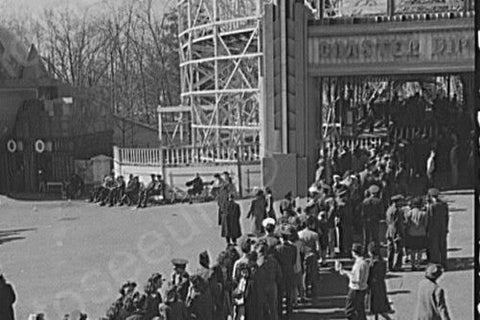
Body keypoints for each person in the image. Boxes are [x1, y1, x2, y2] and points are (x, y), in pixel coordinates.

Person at [337, 243, 369, 320]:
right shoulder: (364, 262)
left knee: (349, 311)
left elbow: (356, 279)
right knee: (360, 311)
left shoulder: (359, 264)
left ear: (354, 252)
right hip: (363, 289)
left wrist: (345, 273)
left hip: (355, 289)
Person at [274, 225, 297, 318]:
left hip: (280, 273)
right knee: (289, 294)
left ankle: (280, 313)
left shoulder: (277, 249)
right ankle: (289, 312)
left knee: (279, 295)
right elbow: (294, 261)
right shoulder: (293, 248)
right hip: (290, 272)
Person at [367, 242, 393, 320]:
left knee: (376, 307)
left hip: (374, 287)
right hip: (381, 285)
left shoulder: (374, 263)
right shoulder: (382, 261)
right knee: (380, 308)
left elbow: (370, 275)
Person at [426, 188, 449, 268]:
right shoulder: (444, 204)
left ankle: (436, 264)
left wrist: (427, 230)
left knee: (434, 247)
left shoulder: (431, 206)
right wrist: (446, 227)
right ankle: (444, 263)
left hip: (433, 230)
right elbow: (447, 217)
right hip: (442, 228)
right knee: (442, 246)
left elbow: (429, 219)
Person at [298, 215, 320, 297]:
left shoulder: (299, 234)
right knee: (314, 273)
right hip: (312, 254)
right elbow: (317, 247)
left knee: (304, 273)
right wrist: (319, 256)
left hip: (303, 255)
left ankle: (305, 290)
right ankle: (314, 291)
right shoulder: (314, 235)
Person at [404, 197, 429, 271]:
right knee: (420, 250)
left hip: (411, 233)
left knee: (412, 250)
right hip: (421, 233)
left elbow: (407, 223)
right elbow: (426, 224)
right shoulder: (424, 213)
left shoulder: (410, 212)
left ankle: (412, 264)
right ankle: (418, 264)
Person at [385, 194, 405, 271]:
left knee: (390, 249)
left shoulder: (389, 209)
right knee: (399, 249)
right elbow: (397, 222)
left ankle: (390, 266)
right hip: (396, 231)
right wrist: (399, 233)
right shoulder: (397, 210)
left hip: (390, 230)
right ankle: (397, 266)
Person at [361, 184, 383, 250]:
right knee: (375, 237)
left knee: (366, 237)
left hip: (366, 221)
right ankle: (376, 251)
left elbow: (362, 213)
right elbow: (381, 212)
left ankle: (365, 251)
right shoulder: (379, 201)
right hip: (375, 221)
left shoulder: (365, 201)